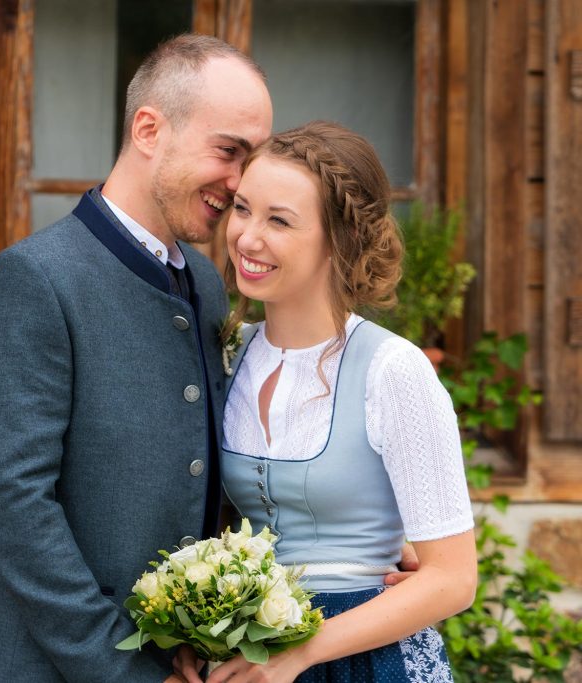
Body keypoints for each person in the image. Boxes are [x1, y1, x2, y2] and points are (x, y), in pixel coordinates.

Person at [0, 34, 273, 682]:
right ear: (149, 129)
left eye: (254, 159)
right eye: (228, 151)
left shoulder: (209, 286)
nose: (240, 183)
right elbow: (16, 508)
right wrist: (120, 670)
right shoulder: (33, 280)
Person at [175, 121, 477, 683]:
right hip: (253, 649)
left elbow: (452, 579)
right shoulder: (228, 355)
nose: (246, 237)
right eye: (242, 209)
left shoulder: (392, 371)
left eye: (279, 220)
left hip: (366, 653)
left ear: (340, 239)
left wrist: (303, 651)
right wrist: (194, 626)